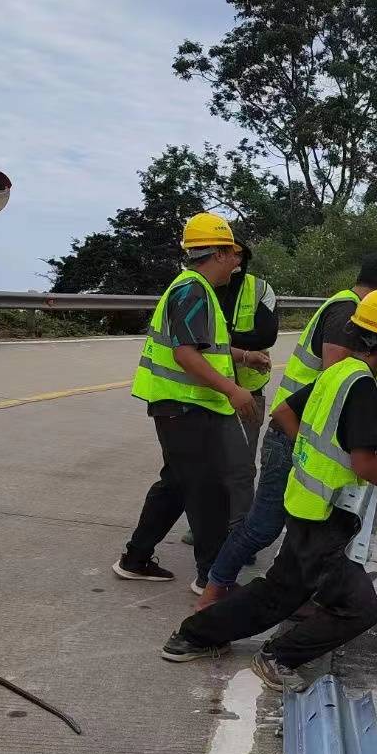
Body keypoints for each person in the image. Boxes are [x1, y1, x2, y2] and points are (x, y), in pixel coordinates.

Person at [159, 288, 377, 689]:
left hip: (304, 503)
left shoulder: (336, 373)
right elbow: (364, 464)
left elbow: (284, 412)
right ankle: (278, 657)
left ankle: (192, 636)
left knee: (280, 591)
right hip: (324, 516)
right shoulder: (362, 386)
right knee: (359, 608)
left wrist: (312, 455)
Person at [193, 253, 377, 608]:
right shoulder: (347, 317)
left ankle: (281, 596)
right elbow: (341, 385)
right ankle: (212, 588)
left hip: (298, 429)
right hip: (293, 434)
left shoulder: (351, 317)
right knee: (264, 525)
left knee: (299, 529)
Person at [113, 213, 262, 586]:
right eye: (234, 253)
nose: (238, 262)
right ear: (219, 254)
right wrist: (233, 390)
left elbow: (203, 347)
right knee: (207, 491)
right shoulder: (192, 290)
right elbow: (186, 354)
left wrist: (243, 357)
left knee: (177, 484)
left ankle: (136, 558)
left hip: (183, 406)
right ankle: (211, 579)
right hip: (184, 407)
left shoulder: (196, 290)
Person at [183, 244, 277, 549]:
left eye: (239, 255)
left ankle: (238, 535)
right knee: (206, 464)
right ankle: (205, 528)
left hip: (246, 391)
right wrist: (235, 346)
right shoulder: (199, 288)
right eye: (228, 254)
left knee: (240, 467)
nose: (234, 261)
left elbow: (265, 336)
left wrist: (225, 342)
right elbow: (196, 343)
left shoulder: (260, 289)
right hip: (205, 391)